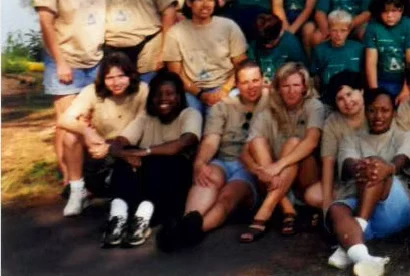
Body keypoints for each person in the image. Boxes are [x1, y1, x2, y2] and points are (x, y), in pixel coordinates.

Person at [165, 59, 266, 249]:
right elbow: (212, 138)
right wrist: (200, 162)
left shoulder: (272, 101)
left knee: (227, 197)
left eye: (255, 81)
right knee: (206, 178)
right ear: (236, 84)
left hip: (250, 167)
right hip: (224, 160)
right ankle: (187, 222)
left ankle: (192, 230)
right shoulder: (224, 105)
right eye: (245, 82)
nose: (251, 87)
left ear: (263, 80)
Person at [103, 71, 202, 247]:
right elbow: (116, 145)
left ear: (179, 96)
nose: (163, 99)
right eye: (157, 94)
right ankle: (117, 217)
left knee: (167, 162)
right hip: (144, 182)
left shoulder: (190, 114)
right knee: (123, 162)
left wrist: (144, 152)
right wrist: (126, 154)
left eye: (169, 94)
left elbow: (181, 144)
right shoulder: (146, 118)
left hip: (171, 188)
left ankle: (142, 219)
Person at [325, 89, 410, 276]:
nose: (378, 116)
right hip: (359, 202)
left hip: (394, 208)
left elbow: (400, 162)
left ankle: (350, 241)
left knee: (376, 165)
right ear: (365, 111)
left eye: (385, 110)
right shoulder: (351, 138)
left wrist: (383, 168)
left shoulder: (405, 136)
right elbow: (348, 164)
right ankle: (362, 257)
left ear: (394, 112)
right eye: (372, 110)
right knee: (335, 209)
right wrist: (364, 167)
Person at [58, 52, 148, 216]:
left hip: (128, 147)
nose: (116, 82)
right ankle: (78, 191)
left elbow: (142, 122)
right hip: (99, 147)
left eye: (121, 76)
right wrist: (86, 132)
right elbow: (64, 119)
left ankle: (113, 190)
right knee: (70, 135)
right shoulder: (92, 91)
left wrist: (110, 147)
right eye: (109, 78)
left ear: (130, 75)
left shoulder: (142, 90)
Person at [242, 62, 325, 241]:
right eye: (285, 86)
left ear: (304, 88)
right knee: (256, 141)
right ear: (278, 88)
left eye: (296, 85)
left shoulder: (314, 106)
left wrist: (276, 167)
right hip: (275, 180)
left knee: (294, 142)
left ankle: (264, 211)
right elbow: (245, 152)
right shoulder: (267, 111)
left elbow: (311, 142)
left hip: (306, 177)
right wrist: (260, 171)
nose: (291, 91)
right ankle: (287, 209)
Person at [163, 0, 247, 114]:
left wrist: (224, 90)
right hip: (191, 90)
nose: (205, 4)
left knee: (223, 116)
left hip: (225, 87)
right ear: (189, 3)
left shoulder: (229, 26)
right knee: (191, 116)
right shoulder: (175, 33)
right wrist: (200, 94)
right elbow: (176, 74)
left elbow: (242, 66)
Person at [311, 72, 367, 260]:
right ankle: (342, 215)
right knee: (312, 195)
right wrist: (326, 203)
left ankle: (354, 220)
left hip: (372, 176)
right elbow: (328, 162)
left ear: (361, 91)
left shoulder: (376, 110)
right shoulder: (332, 122)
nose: (347, 102)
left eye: (350, 94)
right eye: (340, 99)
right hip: (345, 180)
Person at [363, 0, 410, 97]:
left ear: (402, 9)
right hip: (381, 81)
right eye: (385, 11)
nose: (389, 16)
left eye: (394, 11)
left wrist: (405, 90)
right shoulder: (373, 28)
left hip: (405, 82)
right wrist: (375, 92)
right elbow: (371, 63)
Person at [310, 10, 366, 90]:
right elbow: (315, 76)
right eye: (334, 30)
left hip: (353, 92)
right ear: (328, 29)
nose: (338, 35)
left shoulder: (358, 48)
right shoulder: (319, 50)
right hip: (328, 91)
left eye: (343, 30)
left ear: (349, 30)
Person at [247, 12, 307, 83]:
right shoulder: (254, 44)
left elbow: (301, 70)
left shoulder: (291, 43)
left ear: (280, 33)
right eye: (264, 43)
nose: (267, 46)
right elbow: (250, 66)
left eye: (271, 42)